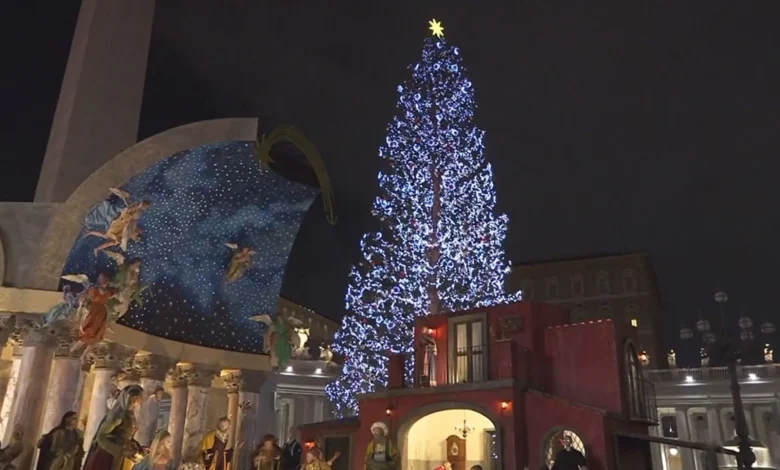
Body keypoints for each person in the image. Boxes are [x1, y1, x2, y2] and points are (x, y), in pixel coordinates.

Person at [83, 385, 145, 470]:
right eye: (138, 397)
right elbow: (101, 437)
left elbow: (125, 436)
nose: (139, 400)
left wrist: (137, 448)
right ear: (131, 398)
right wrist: (120, 450)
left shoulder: (130, 415)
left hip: (118, 456)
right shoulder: (117, 415)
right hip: (108, 456)